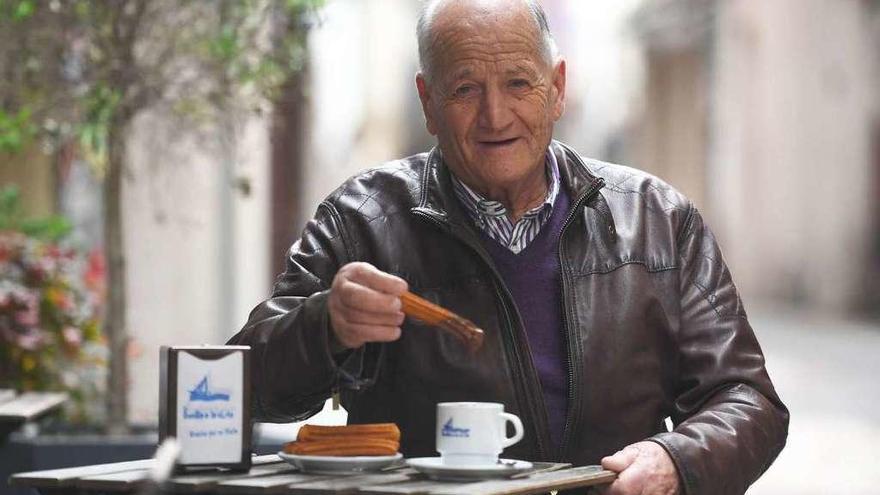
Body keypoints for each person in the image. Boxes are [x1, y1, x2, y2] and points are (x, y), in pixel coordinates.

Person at [228, 1, 789, 493]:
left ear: (558, 88)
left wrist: (677, 461)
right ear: (427, 100)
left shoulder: (655, 218)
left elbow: (747, 399)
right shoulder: (362, 223)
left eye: (519, 83)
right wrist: (324, 325)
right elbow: (243, 393)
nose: (495, 115)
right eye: (465, 88)